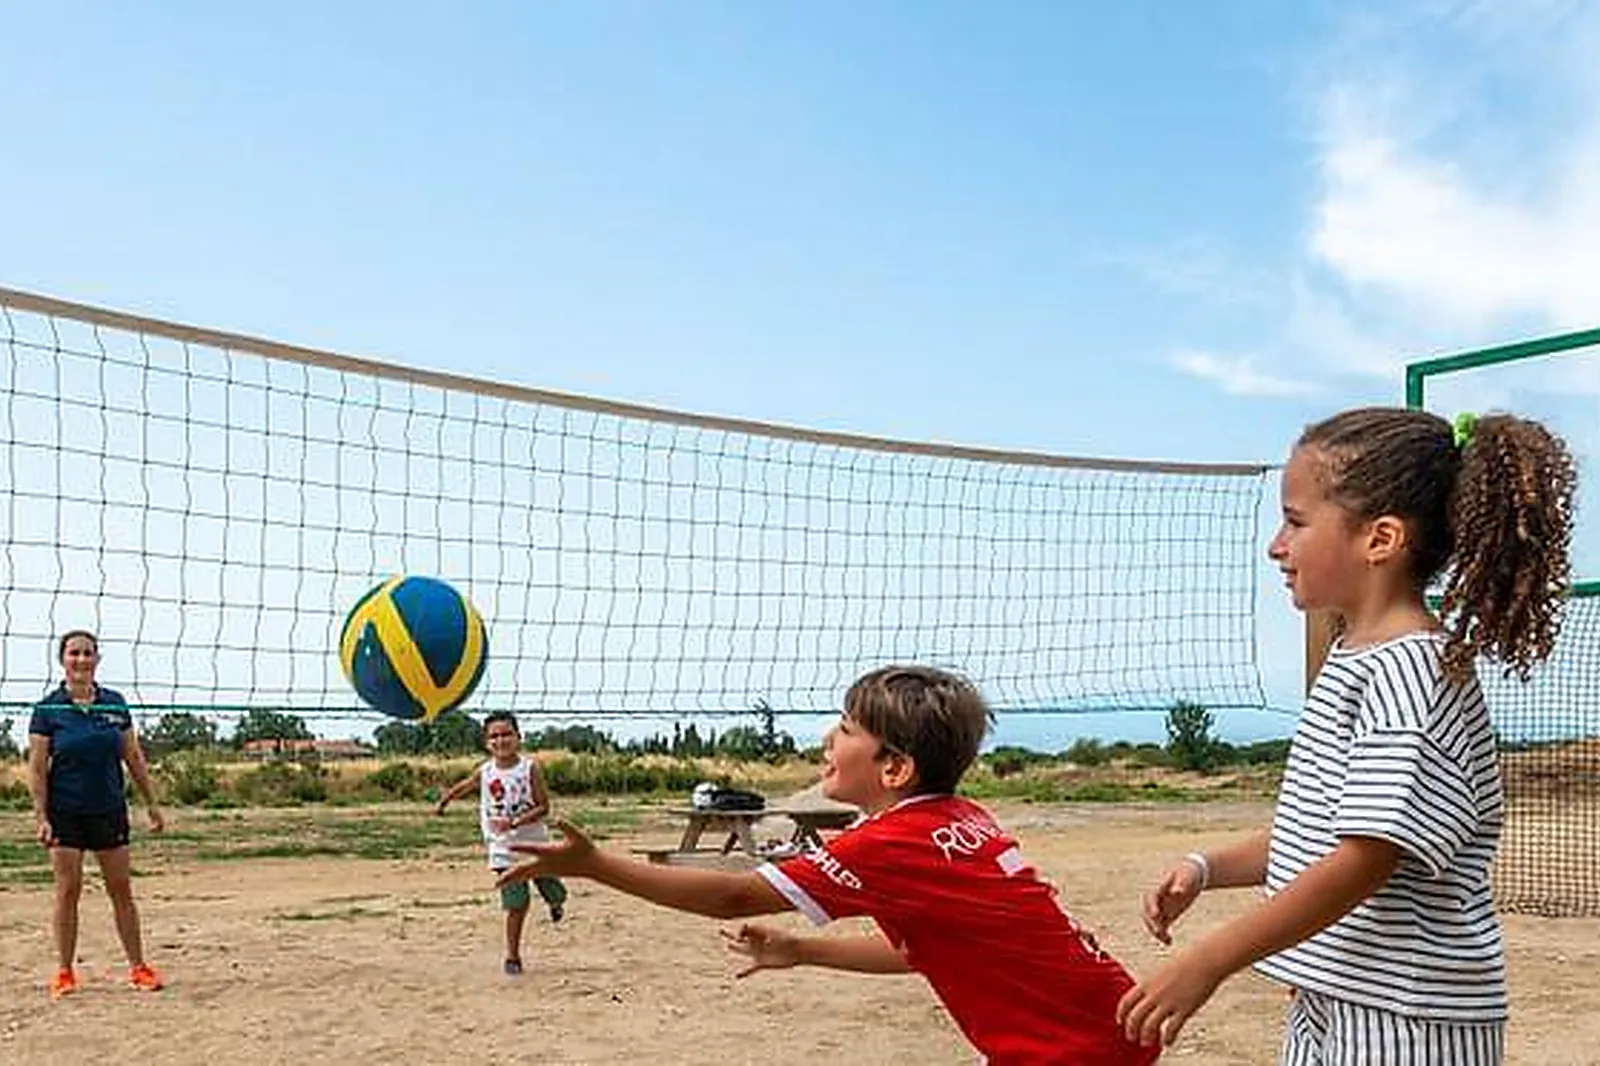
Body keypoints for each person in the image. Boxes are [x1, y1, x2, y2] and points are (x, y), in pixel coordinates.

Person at [1117, 408, 1576, 1064]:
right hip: (1338, 997)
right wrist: (1208, 866)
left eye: (1296, 521)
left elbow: (1366, 856)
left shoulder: (1412, 671)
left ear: (1381, 538)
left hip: (1409, 1019)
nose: (1277, 545)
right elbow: (1328, 830)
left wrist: (1210, 959)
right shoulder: (1355, 657)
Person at [498, 665, 1159, 1065]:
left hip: (1069, 1049)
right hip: (1101, 1024)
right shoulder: (959, 817)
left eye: (845, 729)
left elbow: (733, 897)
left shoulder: (889, 843)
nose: (826, 737)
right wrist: (802, 950)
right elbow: (928, 952)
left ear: (894, 767)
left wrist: (595, 864)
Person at [27, 629, 167, 999]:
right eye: (74, 653)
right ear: (63, 659)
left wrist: (151, 802)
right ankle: (64, 972)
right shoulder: (48, 709)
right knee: (67, 890)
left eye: (88, 653)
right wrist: (41, 816)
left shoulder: (114, 704)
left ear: (97, 660)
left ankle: (139, 967)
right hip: (65, 813)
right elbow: (37, 768)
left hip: (107, 809)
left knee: (120, 889)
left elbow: (132, 756)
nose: (81, 660)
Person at [435, 710, 568, 975]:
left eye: (506, 734)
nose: (500, 740)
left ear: (518, 737)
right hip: (503, 849)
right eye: (493, 736)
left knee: (553, 890)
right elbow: (466, 785)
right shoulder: (485, 771)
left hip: (535, 846)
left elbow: (544, 807)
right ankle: (513, 956)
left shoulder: (529, 768)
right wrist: (445, 799)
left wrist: (516, 822)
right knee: (516, 904)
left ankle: (556, 903)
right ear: (486, 743)